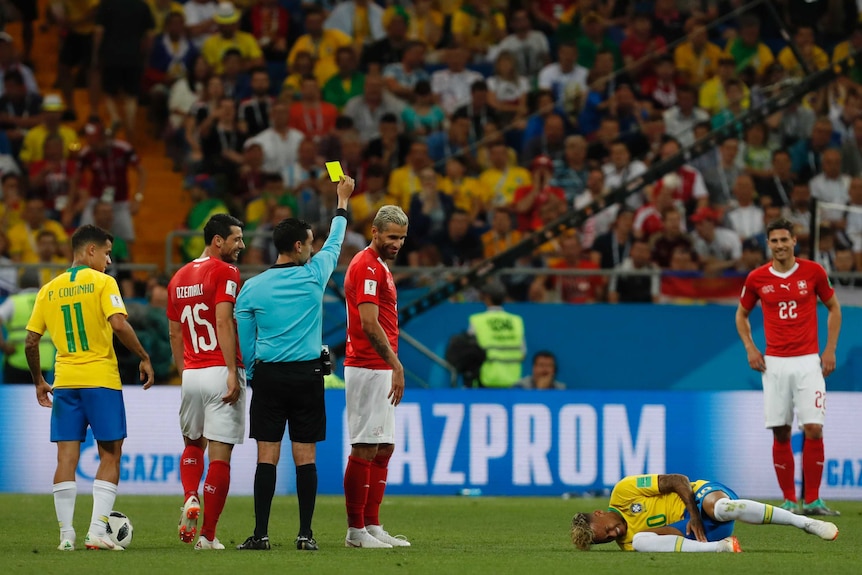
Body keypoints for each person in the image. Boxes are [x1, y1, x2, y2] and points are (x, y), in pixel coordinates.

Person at [234, 175, 356, 552]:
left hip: (268, 376)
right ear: (300, 246)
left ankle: (261, 534)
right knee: (306, 456)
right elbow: (337, 240)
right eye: (311, 243)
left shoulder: (252, 286)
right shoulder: (314, 275)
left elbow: (244, 338)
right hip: (307, 376)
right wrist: (342, 201)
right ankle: (306, 534)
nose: (315, 248)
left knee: (266, 457)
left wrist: (253, 372)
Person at [24, 224, 154, 551]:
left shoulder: (48, 289)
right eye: (107, 253)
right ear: (91, 250)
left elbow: (30, 341)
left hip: (65, 382)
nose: (109, 261)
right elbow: (119, 323)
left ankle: (66, 535)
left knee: (65, 458)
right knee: (111, 452)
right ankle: (97, 530)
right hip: (100, 381)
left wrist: (39, 380)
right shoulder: (103, 282)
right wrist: (143, 356)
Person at [736, 218, 842, 516]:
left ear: (795, 241)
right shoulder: (757, 278)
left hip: (809, 362)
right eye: (774, 241)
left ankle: (813, 500)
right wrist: (751, 348)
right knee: (781, 431)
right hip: (774, 365)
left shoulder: (813, 272)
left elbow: (834, 308)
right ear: (768, 244)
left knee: (813, 428)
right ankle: (788, 500)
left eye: (785, 240)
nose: (780, 245)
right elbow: (741, 315)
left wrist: (830, 349)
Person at [166, 214, 246, 550]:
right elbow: (224, 321)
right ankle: (208, 537)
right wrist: (231, 371)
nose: (241, 245)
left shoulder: (178, 276)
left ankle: (189, 496)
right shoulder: (226, 271)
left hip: (191, 373)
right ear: (217, 241)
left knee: (191, 444)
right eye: (236, 239)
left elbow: (174, 332)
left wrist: (184, 373)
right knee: (220, 457)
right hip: (219, 370)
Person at [342, 205, 410, 549]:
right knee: (365, 446)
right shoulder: (367, 266)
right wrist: (396, 364)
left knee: (384, 446)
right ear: (375, 232)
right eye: (391, 236)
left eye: (401, 237)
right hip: (368, 367)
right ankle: (356, 532)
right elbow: (369, 324)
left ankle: (372, 524)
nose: (396, 243)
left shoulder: (379, 266)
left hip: (378, 367)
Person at [569, 473, 839, 552]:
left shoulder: (623, 491)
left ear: (599, 513)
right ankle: (721, 549)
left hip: (701, 498)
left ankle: (805, 522)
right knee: (640, 541)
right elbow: (672, 537)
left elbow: (678, 480)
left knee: (722, 508)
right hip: (705, 536)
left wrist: (694, 513)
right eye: (608, 539)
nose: (616, 534)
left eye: (608, 529)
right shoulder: (626, 543)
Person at [467, 281, 526, 388]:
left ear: (487, 297)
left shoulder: (478, 320)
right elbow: (523, 354)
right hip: (512, 380)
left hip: (486, 379)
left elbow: (470, 355)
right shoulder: (515, 321)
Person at [0, 271, 54, 383]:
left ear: (20, 284)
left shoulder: (14, 301)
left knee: (13, 398)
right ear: (40, 283)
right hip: (43, 361)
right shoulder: (48, 301)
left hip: (17, 359)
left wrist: (3, 346)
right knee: (39, 398)